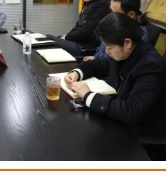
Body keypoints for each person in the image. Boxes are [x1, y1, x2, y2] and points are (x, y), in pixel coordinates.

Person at [66, 12, 166, 158]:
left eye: (109, 47)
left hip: (141, 134)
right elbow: (99, 65)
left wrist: (88, 96)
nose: (107, 52)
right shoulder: (126, 53)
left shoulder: (150, 66)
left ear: (127, 43)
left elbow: (132, 111)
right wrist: (77, 72)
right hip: (119, 121)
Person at [83, 0, 155, 61]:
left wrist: (97, 59)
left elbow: (116, 60)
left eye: (116, 14)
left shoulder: (140, 35)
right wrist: (95, 58)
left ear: (131, 15)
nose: (111, 16)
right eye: (111, 11)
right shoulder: (116, 24)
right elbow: (102, 48)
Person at [46, 0, 110, 56]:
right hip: (79, 43)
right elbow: (78, 26)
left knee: (49, 40)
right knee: (49, 39)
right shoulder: (89, 4)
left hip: (85, 48)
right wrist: (66, 37)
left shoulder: (101, 6)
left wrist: (67, 38)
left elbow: (88, 30)